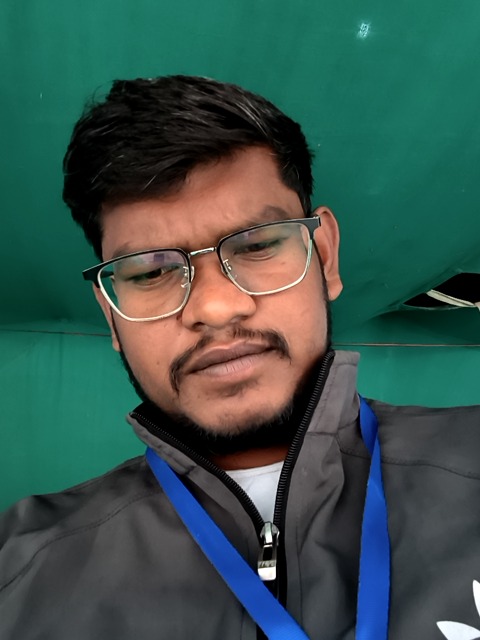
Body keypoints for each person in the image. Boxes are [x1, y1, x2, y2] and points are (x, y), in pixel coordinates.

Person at [1, 76, 479, 640]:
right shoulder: (21, 575)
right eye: (151, 273)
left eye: (257, 244)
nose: (216, 307)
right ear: (111, 315)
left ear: (324, 257)